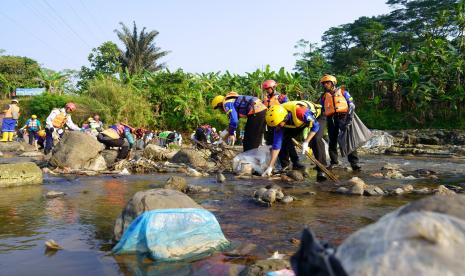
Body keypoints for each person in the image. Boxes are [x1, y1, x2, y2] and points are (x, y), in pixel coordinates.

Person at [262, 100, 327, 181]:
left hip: (317, 117)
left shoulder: (301, 112)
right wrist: (270, 166)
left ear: (284, 117)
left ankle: (321, 169)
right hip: (298, 122)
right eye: (275, 126)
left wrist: (306, 142)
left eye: (278, 125)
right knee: (285, 138)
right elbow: (276, 146)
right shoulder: (278, 122)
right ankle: (287, 165)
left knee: (316, 139)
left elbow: (315, 126)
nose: (277, 127)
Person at [319, 74, 361, 171]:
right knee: (332, 141)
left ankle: (354, 163)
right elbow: (321, 108)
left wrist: (349, 119)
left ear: (333, 83)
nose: (325, 85)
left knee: (347, 139)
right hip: (331, 119)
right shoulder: (324, 96)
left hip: (343, 118)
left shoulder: (343, 92)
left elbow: (352, 105)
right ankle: (334, 162)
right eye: (324, 83)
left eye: (327, 83)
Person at [262, 80, 289, 145]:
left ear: (273, 88)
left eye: (268, 89)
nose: (267, 91)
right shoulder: (266, 98)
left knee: (283, 143)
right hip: (269, 124)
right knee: (269, 141)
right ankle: (271, 154)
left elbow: (288, 110)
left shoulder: (281, 97)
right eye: (266, 89)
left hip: (279, 123)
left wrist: (284, 121)